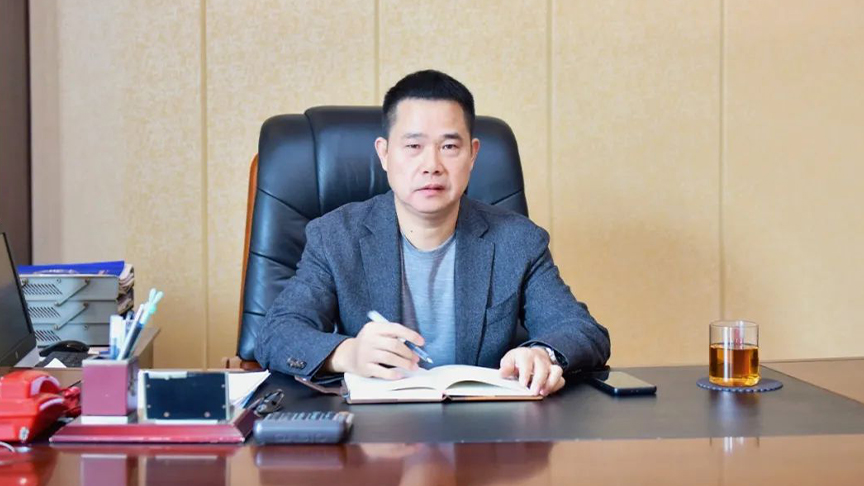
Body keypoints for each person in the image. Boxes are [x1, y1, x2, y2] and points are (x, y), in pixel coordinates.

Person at [256, 70, 610, 396]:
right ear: (384, 154)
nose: (431, 165)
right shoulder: (335, 237)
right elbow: (277, 333)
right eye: (413, 146)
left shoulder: (517, 241)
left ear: (472, 155)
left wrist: (543, 354)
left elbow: (581, 329)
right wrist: (347, 353)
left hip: (484, 428)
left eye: (449, 147)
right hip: (375, 431)